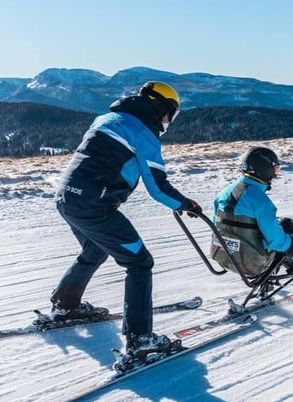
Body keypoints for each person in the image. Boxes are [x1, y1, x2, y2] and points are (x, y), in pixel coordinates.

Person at [51, 81, 201, 357]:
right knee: (140, 262)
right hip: (96, 206)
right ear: (162, 108)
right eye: (172, 113)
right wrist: (185, 204)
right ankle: (140, 338)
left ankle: (65, 305)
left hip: (67, 199)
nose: (170, 120)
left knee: (95, 248)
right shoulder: (144, 132)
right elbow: (157, 187)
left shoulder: (107, 118)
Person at [210, 146, 293, 280]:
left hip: (223, 256)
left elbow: (216, 227)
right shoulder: (262, 202)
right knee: (288, 226)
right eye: (275, 168)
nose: (276, 173)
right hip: (253, 263)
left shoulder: (224, 192)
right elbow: (277, 242)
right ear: (264, 168)